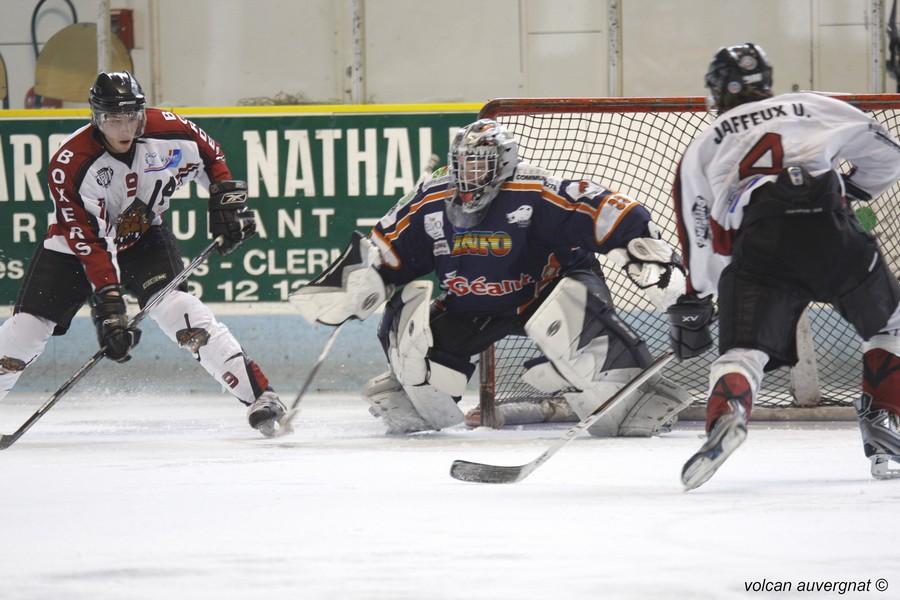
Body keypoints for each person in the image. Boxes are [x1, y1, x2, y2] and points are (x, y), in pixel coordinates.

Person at [291, 118, 691, 436]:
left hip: (546, 294)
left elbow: (607, 211)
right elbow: (388, 252)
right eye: (464, 164)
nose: (470, 175)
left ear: (504, 163)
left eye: (480, 164)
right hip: (472, 307)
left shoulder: (535, 192)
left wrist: (646, 253)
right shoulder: (431, 200)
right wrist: (362, 279)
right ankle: (415, 394)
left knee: (589, 354)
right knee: (414, 355)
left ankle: (633, 399)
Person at [0, 71, 287, 437]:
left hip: (143, 238)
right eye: (112, 119)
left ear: (141, 111)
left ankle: (260, 395)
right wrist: (111, 311)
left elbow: (210, 154)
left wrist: (224, 204)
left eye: (130, 117)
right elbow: (90, 243)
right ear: (95, 117)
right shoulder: (70, 163)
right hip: (72, 250)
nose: (124, 129)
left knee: (178, 311)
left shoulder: (168, 129)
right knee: (26, 330)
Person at [669, 43, 900, 490]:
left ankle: (729, 412)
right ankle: (883, 414)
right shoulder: (813, 105)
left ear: (716, 90)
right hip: (832, 231)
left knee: (744, 352)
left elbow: (698, 225)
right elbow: (889, 156)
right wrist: (850, 193)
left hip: (762, 244)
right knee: (891, 325)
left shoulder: (706, 141)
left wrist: (699, 292)